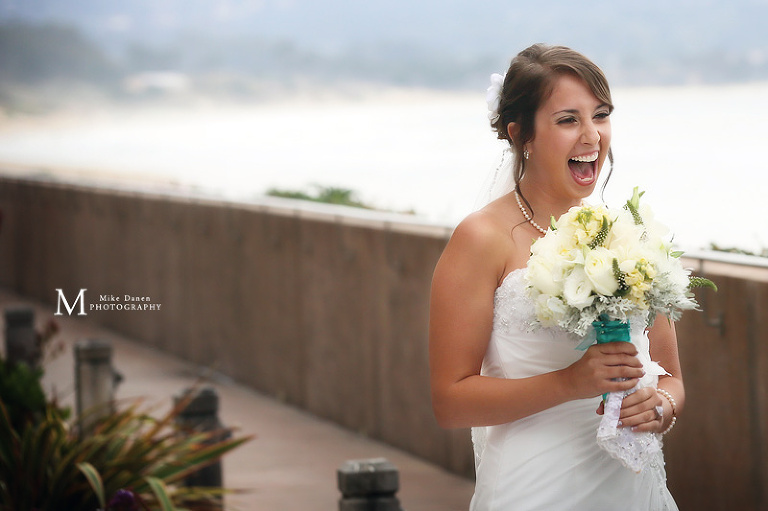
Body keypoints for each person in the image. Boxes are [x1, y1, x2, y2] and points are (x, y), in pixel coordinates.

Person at [428, 44, 682, 510]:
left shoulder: (627, 235)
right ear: (521, 134)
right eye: (568, 120)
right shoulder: (483, 238)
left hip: (633, 488)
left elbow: (670, 378)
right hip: (537, 488)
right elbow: (450, 401)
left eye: (601, 115)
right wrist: (570, 383)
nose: (592, 136)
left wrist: (660, 408)